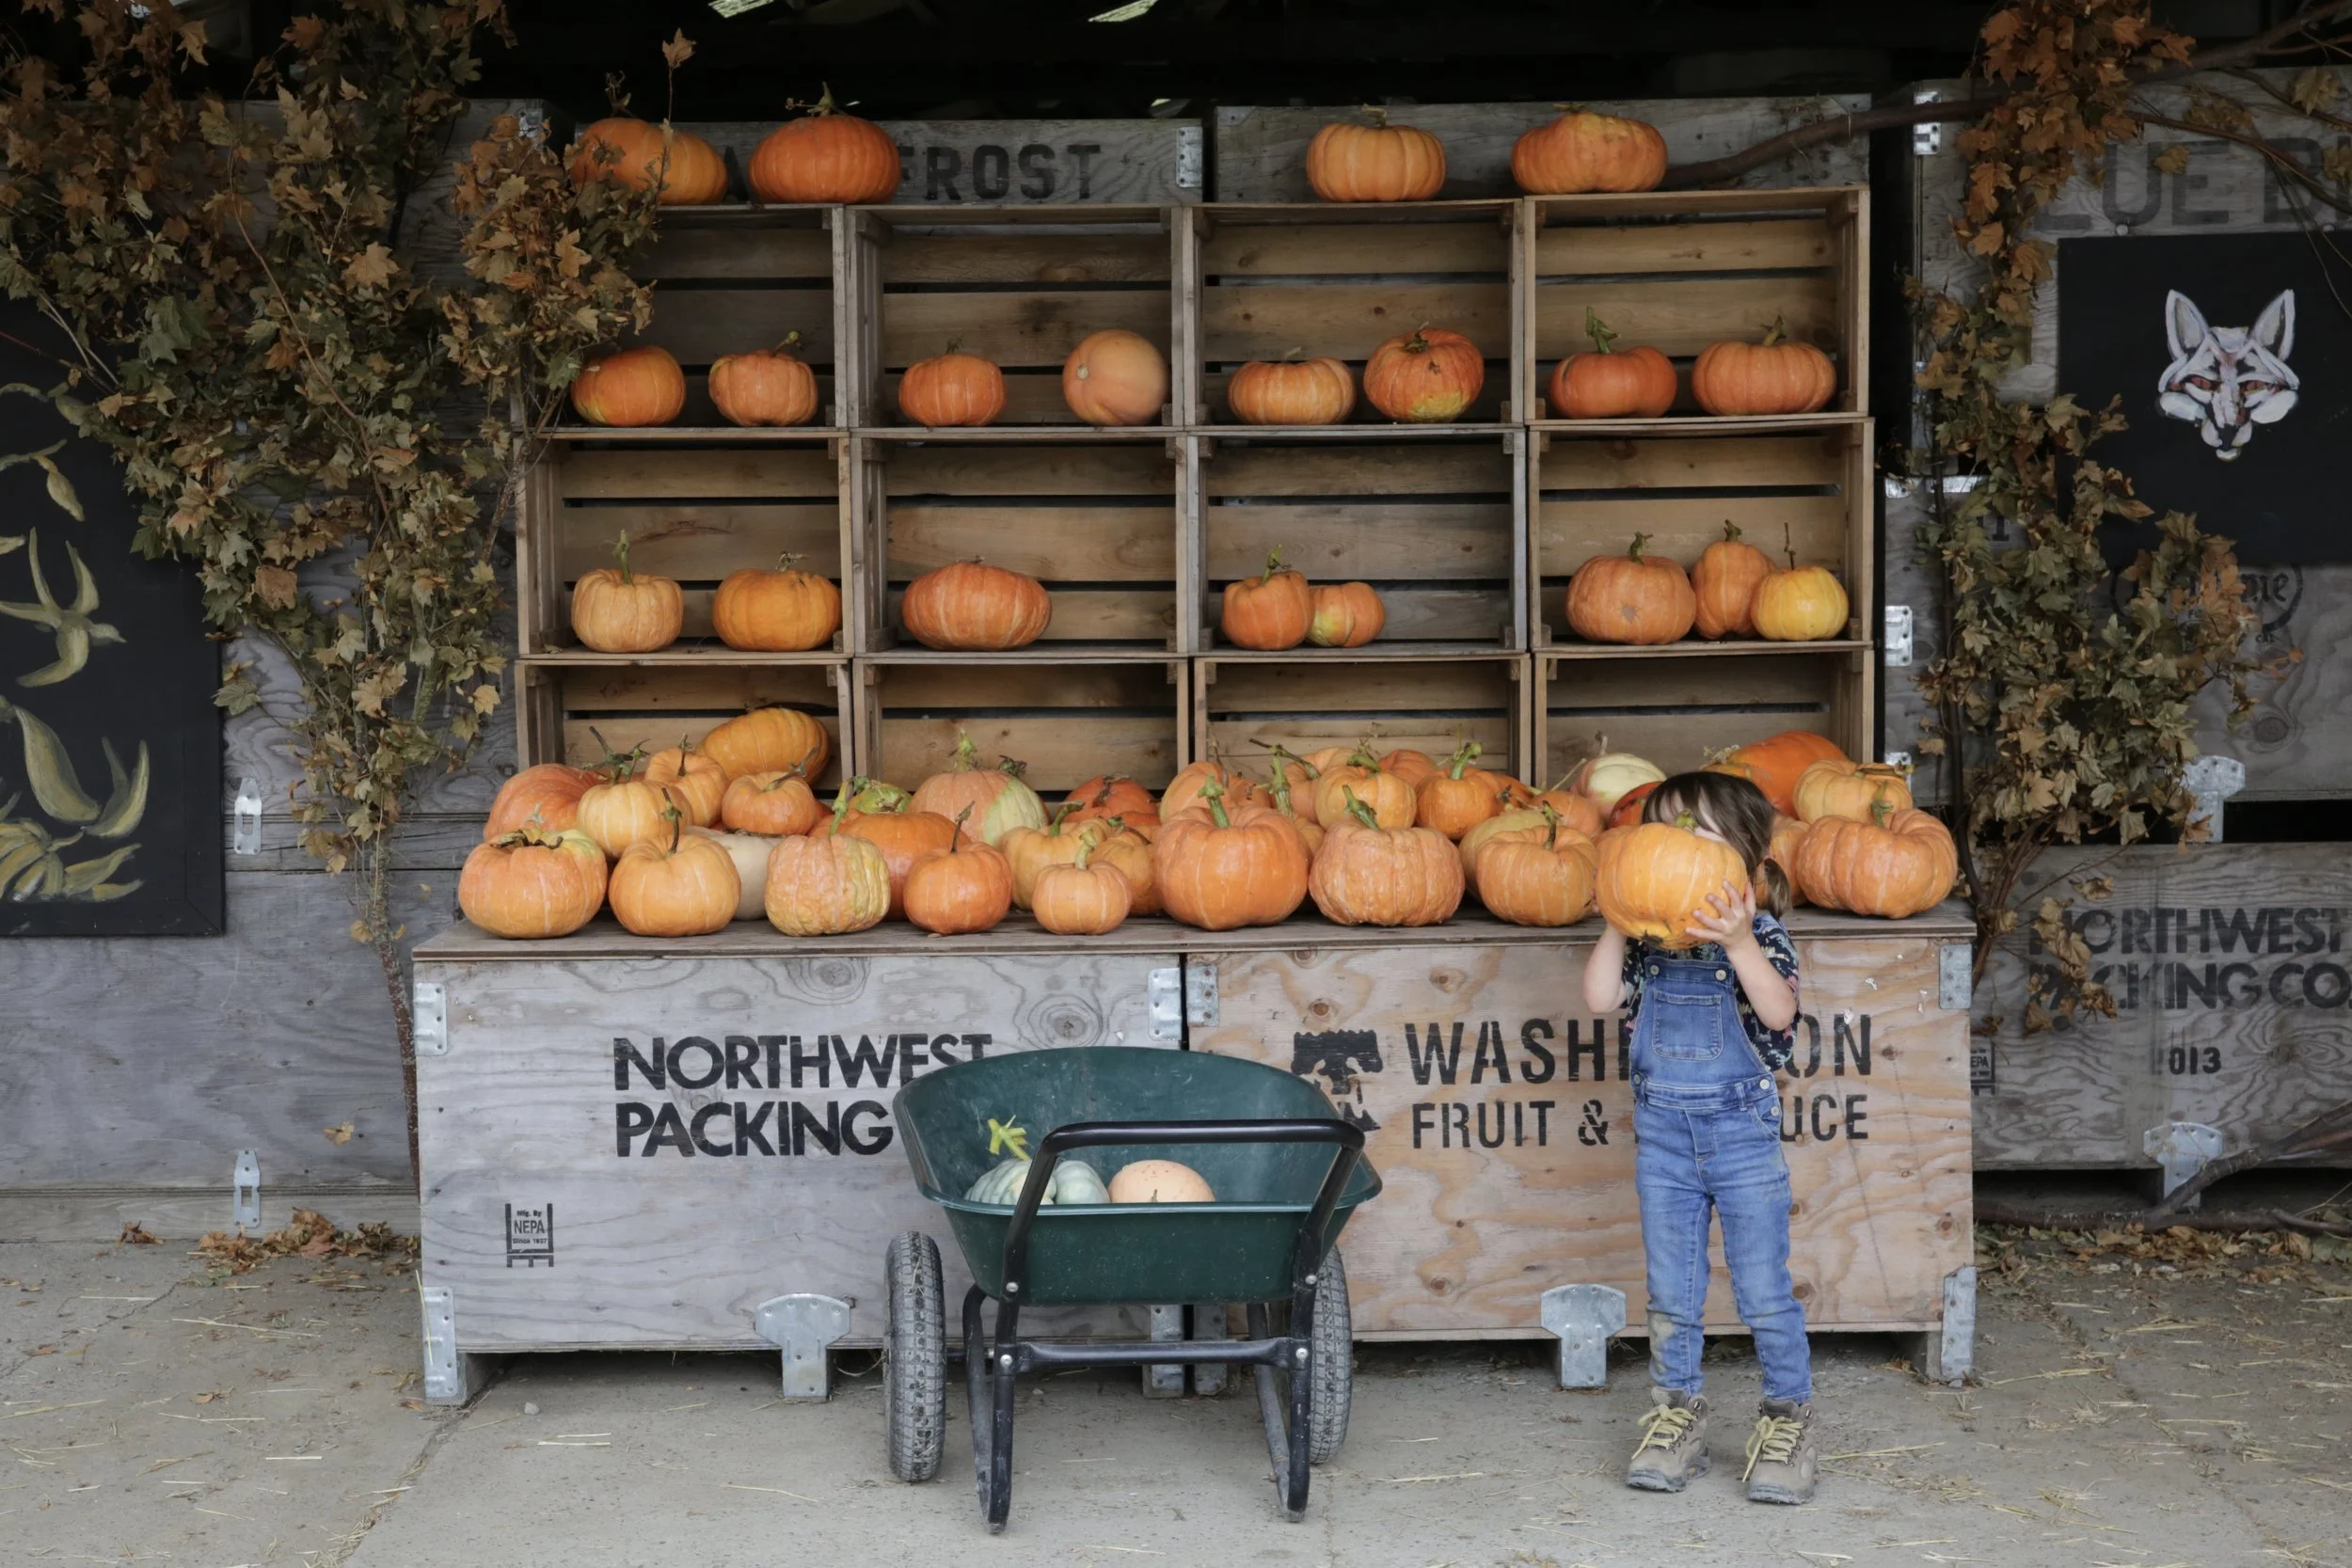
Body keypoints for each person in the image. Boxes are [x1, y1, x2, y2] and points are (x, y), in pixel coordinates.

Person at [1580, 769, 1815, 1504]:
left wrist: (1741, 938)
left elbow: (1779, 1015)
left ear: (1745, 864)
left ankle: (1788, 1417)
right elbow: (1596, 997)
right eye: (1663, 832)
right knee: (1671, 1294)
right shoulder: (1648, 949)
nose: (1675, 847)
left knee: (1764, 1291)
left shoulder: (1761, 937)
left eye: (1699, 834)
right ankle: (1676, 1415)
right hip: (1666, 1145)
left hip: (1742, 1139)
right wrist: (1620, 910)